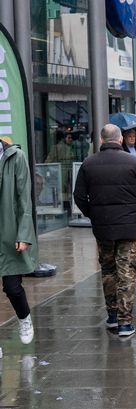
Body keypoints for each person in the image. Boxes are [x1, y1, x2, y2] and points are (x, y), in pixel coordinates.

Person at [74, 124, 136, 337]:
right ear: (120, 140)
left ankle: (112, 316)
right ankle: (125, 322)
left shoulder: (88, 163)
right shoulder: (134, 162)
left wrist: (93, 214)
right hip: (130, 227)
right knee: (127, 273)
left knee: (108, 271)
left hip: (103, 228)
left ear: (102, 141)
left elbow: (78, 196)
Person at [0, 139, 37, 350]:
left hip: (10, 231)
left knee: (12, 288)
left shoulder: (15, 157)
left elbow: (25, 198)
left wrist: (23, 233)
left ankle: (24, 318)